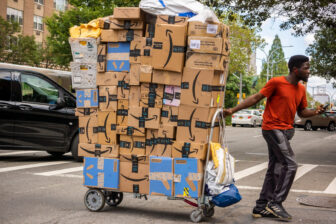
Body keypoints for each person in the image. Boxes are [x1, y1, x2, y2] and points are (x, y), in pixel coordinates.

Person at [223, 55, 325, 221]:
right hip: (272, 128)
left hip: (286, 130)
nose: (309, 71)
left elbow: (302, 112)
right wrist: (232, 110)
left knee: (275, 168)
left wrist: (315, 112)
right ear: (295, 69)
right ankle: (276, 203)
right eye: (306, 68)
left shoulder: (301, 89)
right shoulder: (277, 82)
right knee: (290, 164)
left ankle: (261, 206)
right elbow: (256, 97)